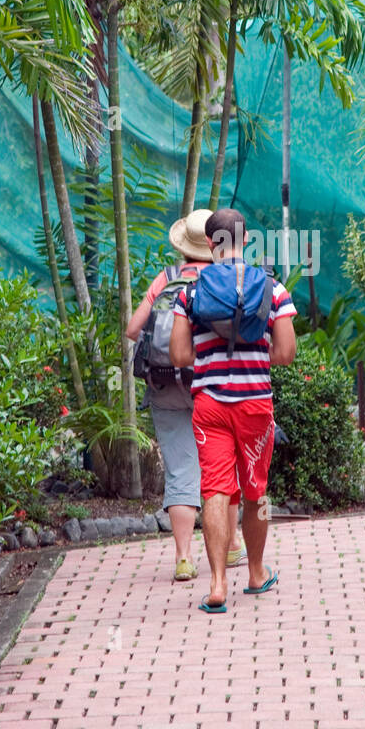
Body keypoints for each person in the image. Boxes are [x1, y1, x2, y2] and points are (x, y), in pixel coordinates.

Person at [169, 207, 297, 614]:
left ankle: (218, 584)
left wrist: (210, 356)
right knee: (255, 490)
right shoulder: (272, 289)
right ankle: (256, 573)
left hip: (209, 406)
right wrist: (254, 355)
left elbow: (178, 353)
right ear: (246, 240)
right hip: (255, 406)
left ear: (210, 244)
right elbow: (287, 352)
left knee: (215, 491)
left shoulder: (190, 292)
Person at [127, 209, 244, 582]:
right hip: (210, 384)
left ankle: (183, 557)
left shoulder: (167, 278)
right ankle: (230, 545)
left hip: (164, 385)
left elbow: (133, 330)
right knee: (220, 467)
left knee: (181, 469)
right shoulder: (223, 278)